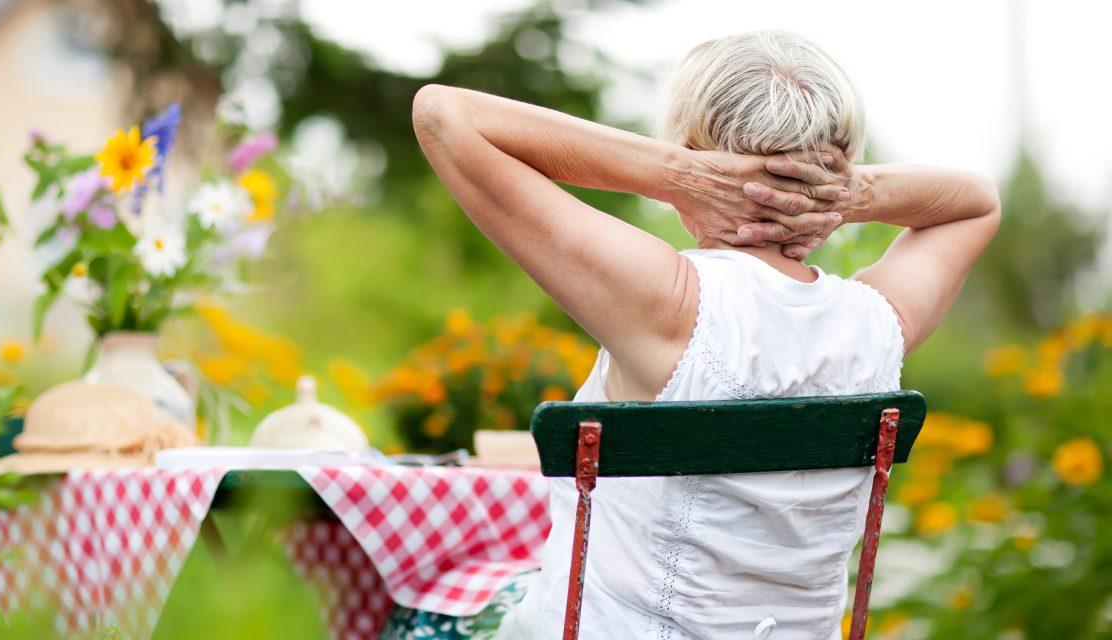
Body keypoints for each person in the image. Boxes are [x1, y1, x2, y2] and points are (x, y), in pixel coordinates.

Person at [407, 30, 999, 640]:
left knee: (420, 610)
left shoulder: (668, 301)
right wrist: (846, 193)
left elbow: (444, 115)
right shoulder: (877, 323)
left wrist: (675, 173)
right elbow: (976, 201)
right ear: (840, 159)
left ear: (694, 155)